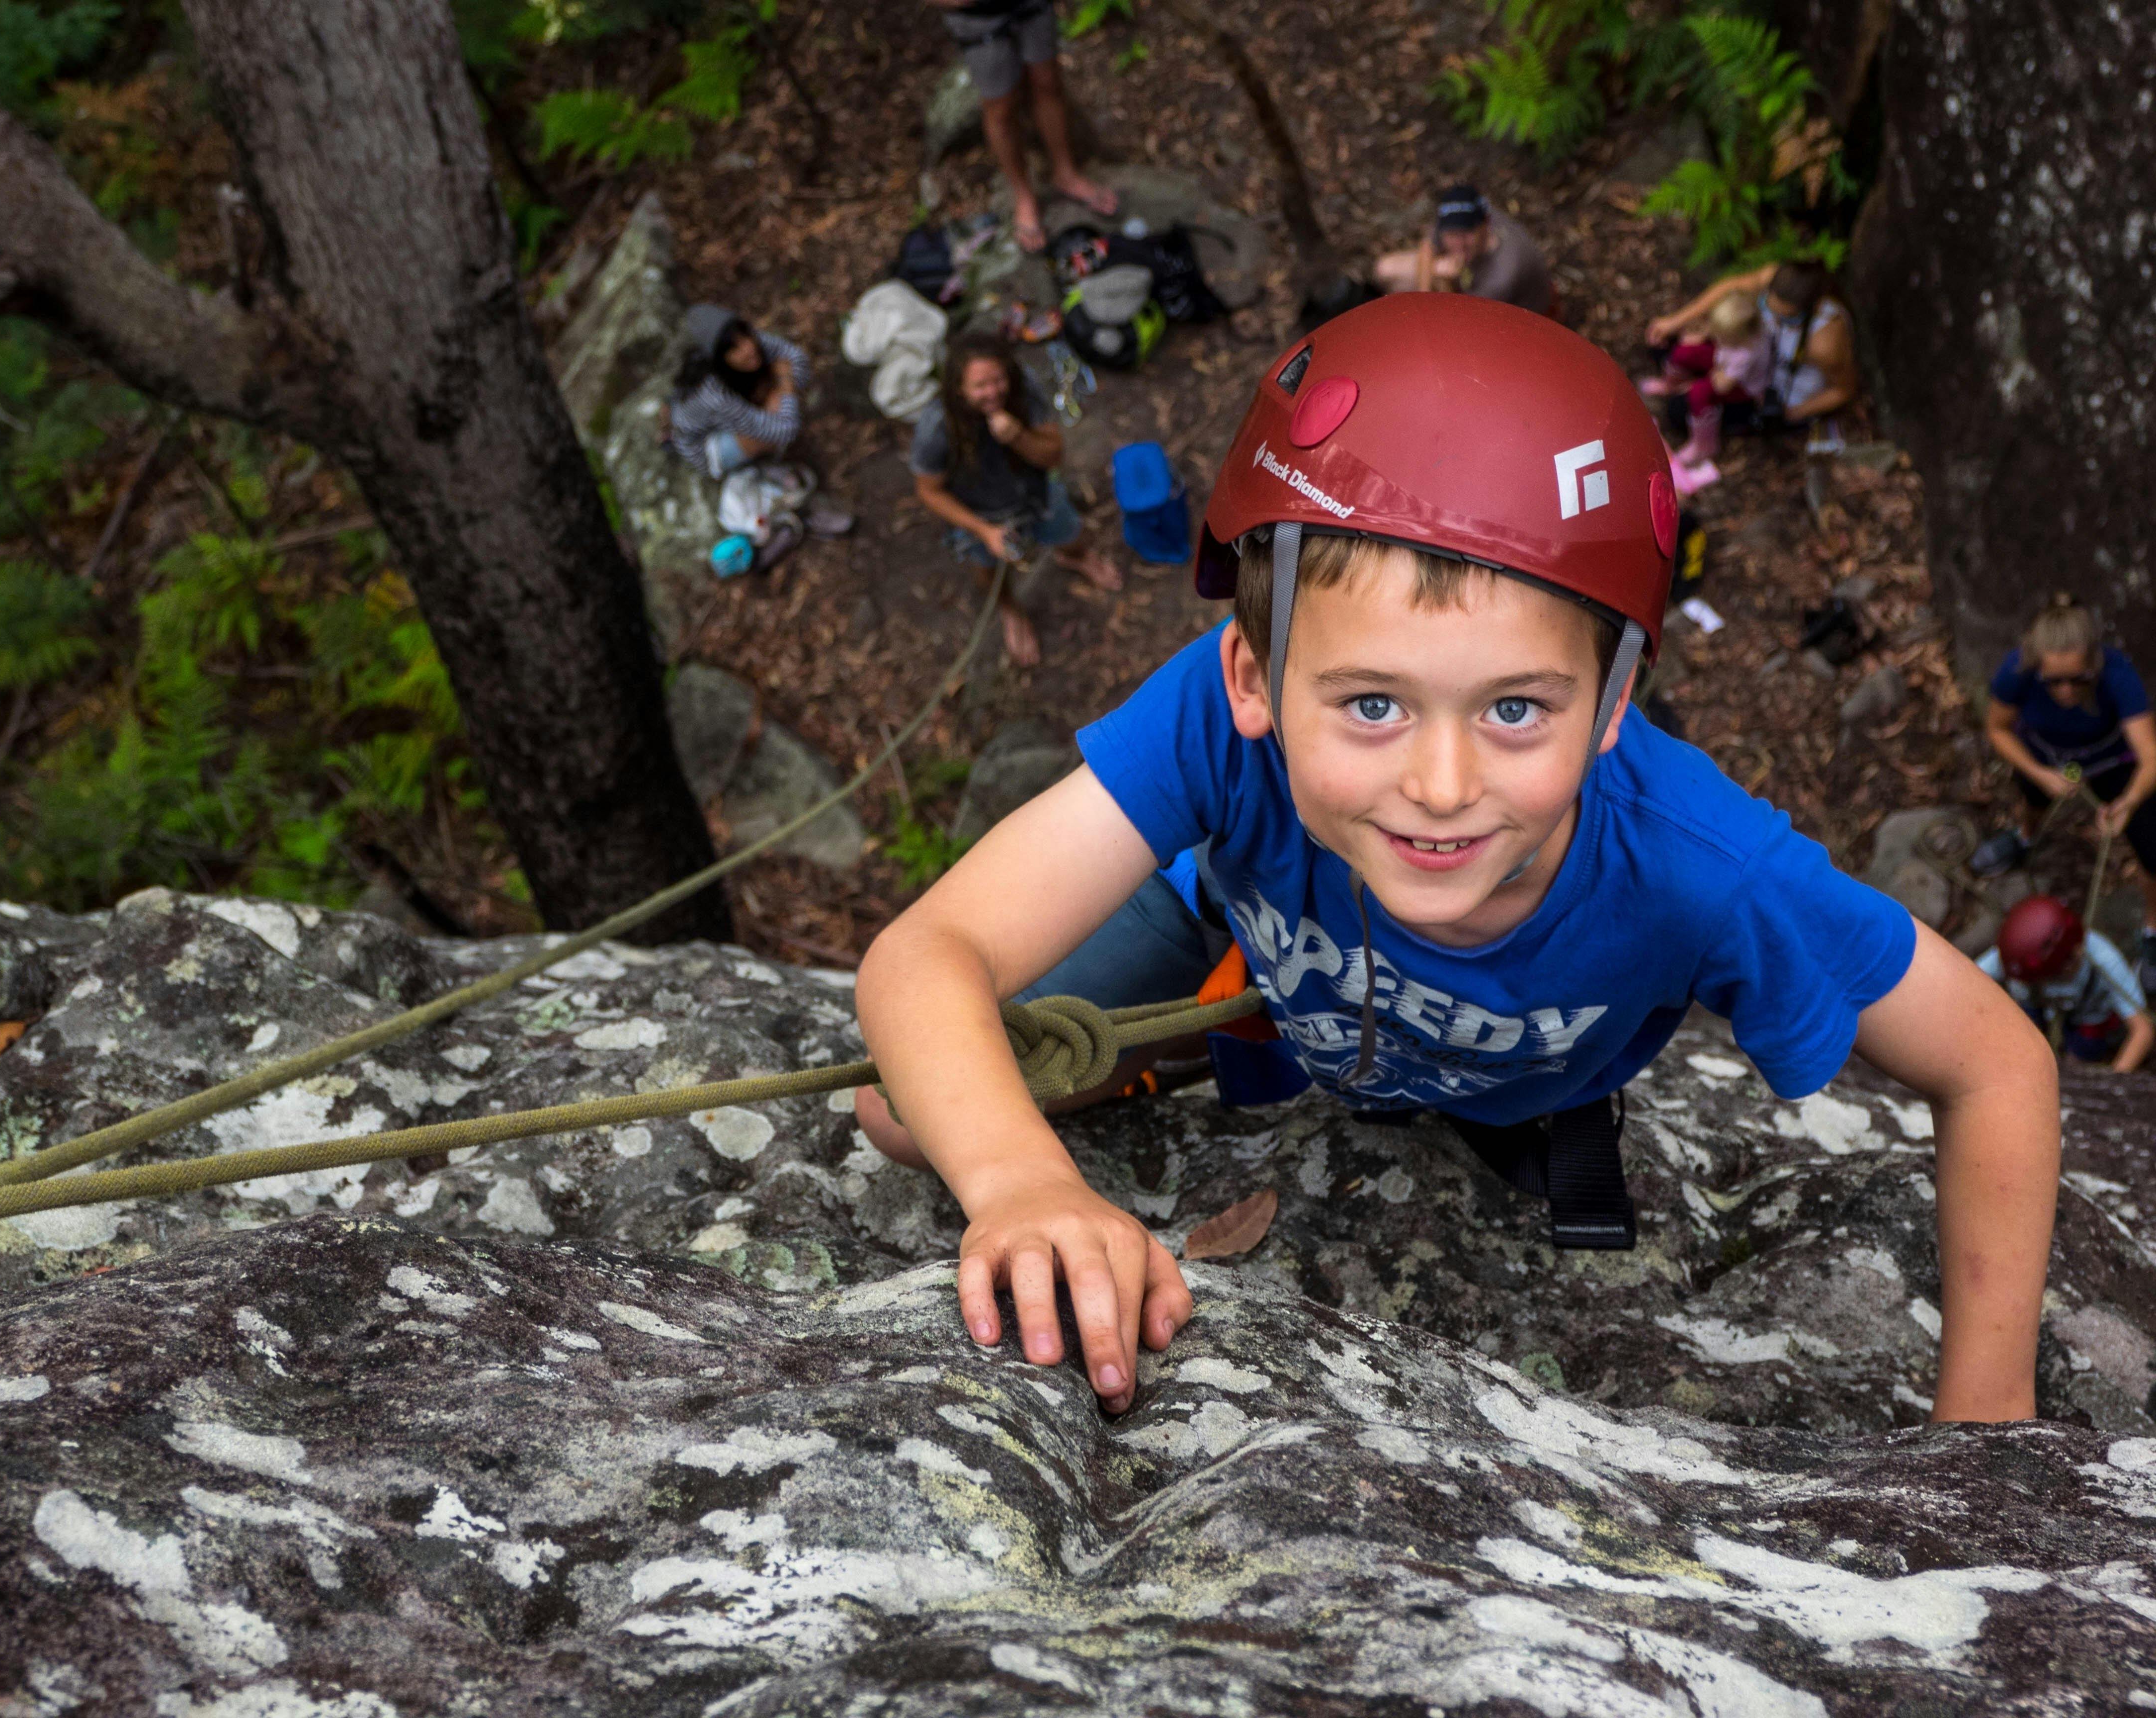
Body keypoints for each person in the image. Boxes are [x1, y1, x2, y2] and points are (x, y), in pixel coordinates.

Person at [853, 294, 2058, 1423]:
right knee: (900, 1111)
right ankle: (1196, 1037)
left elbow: (1995, 1063)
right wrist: (1020, 1179)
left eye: (1517, 710)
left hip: (1491, 1069)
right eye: (1372, 704)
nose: (1440, 785)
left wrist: (1986, 1431)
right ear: (1253, 680)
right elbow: (927, 955)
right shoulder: (1212, 723)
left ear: (1612, 700)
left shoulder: (1700, 865)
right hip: (1246, 955)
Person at [909, 330, 1121, 668]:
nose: (993, 393)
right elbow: (928, 491)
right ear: (959, 389)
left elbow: (1053, 455)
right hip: (981, 516)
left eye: (998, 380)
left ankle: (1076, 558)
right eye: (980, 386)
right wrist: (983, 531)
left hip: (1036, 494)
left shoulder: (1023, 388)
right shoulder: (936, 428)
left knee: (1070, 534)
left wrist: (1018, 436)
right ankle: (1010, 609)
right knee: (989, 570)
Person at [1969, 597, 2156, 971]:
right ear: (2038, 667)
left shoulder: (2118, 675)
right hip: (2046, 758)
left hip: (2112, 764)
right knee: (2032, 798)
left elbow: (2151, 756)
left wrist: (2130, 801)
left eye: (2078, 679)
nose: (2067, 692)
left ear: (2094, 664)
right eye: (2054, 682)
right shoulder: (2018, 670)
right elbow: (1997, 728)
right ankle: (2025, 838)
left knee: (2152, 848)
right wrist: (2039, 774)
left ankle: (2153, 931)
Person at [923, 0, 1117, 253]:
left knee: (1048, 81)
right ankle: (1023, 196)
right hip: (976, 18)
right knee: (1000, 108)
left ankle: (1065, 173)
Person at [1646, 260, 1857, 428]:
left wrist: (1792, 413)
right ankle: (1686, 383)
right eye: (1768, 305)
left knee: (1676, 411)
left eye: (1785, 319)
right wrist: (1675, 322)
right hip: (1748, 353)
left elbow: (1843, 391)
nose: (1772, 318)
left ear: (1813, 308)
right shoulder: (1780, 279)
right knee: (1663, 345)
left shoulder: (1825, 344)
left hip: (1770, 389)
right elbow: (1729, 290)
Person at [1979, 896, 2153, 1073]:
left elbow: (2143, 1029)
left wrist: (2116, 1080)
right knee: (2024, 1045)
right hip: (2036, 1007)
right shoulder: (2016, 955)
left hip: (2089, 1015)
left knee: (2079, 1058)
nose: (2078, 953)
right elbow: (1968, 981)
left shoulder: (2102, 959)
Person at [663, 305, 811, 478]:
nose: (748, 349)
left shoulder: (748, 341)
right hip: (705, 447)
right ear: (720, 359)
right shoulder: (716, 394)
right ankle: (761, 463)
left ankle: (762, 422)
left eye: (745, 337)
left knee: (776, 400)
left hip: (729, 412)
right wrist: (785, 382)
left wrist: (783, 389)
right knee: (775, 408)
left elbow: (798, 358)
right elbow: (787, 429)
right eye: (735, 349)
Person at [1370, 184, 1553, 317]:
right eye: (1452, 234)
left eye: (1466, 235)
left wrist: (1447, 283)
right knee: (1386, 270)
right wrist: (1424, 297)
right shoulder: (1466, 213)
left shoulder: (1504, 272)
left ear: (1485, 226)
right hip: (1467, 284)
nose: (1458, 244)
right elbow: (1428, 248)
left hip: (1518, 318)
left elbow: (1463, 318)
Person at [1641, 291, 1772, 474]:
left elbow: (1722, 385)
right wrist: (1703, 336)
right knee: (1683, 353)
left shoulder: (1745, 355)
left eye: (1721, 336)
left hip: (1742, 388)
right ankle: (1669, 384)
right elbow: (1714, 333)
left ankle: (1704, 445)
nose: (1716, 337)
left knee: (1699, 393)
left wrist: (1700, 380)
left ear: (1737, 337)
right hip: (1723, 363)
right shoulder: (1738, 330)